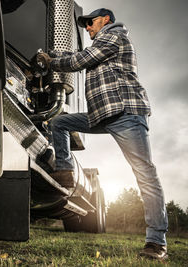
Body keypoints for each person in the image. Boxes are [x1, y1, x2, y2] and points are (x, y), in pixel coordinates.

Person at [36, 8, 168, 260]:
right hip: (103, 114)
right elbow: (81, 59)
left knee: (145, 175)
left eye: (90, 22)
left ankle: (156, 242)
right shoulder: (102, 40)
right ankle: (65, 172)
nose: (87, 28)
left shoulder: (114, 36)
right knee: (60, 122)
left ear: (105, 20)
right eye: (84, 25)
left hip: (126, 113)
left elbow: (79, 61)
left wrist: (52, 62)